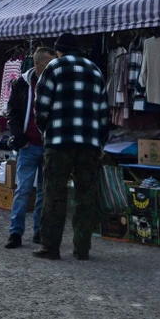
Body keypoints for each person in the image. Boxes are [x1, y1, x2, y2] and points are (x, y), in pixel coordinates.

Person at [33, 33, 109, 261]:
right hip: (89, 145)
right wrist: (100, 141)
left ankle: (51, 247)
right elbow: (104, 113)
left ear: (59, 50)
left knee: (54, 195)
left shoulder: (53, 68)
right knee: (86, 197)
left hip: (59, 143)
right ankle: (82, 248)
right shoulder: (95, 70)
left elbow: (41, 107)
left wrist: (46, 131)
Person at [4, 47, 52, 249]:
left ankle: (39, 231)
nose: (52, 67)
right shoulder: (22, 84)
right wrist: (20, 138)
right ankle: (15, 233)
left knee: (43, 191)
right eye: (49, 64)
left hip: (49, 145)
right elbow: (12, 112)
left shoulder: (54, 83)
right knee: (23, 189)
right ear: (38, 64)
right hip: (29, 144)